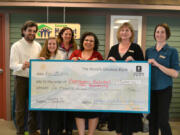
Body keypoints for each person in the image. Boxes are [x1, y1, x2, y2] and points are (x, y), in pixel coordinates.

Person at [107, 22, 144, 135]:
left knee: (129, 121)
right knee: (118, 120)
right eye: (122, 30)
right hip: (116, 90)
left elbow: (142, 69)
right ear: (119, 33)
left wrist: (134, 61)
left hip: (131, 90)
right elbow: (106, 70)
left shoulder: (136, 48)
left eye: (127, 30)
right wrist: (109, 62)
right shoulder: (113, 48)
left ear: (131, 33)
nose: (124, 32)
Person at [146, 23, 179, 135]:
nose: (159, 34)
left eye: (162, 32)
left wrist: (158, 64)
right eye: (157, 32)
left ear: (167, 34)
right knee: (152, 120)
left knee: (163, 121)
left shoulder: (172, 51)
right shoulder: (149, 51)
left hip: (164, 90)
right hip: (151, 90)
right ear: (154, 34)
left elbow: (175, 74)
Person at [10, 20, 41, 135]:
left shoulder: (38, 45)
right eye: (29, 31)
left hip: (34, 79)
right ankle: (20, 131)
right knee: (20, 107)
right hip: (21, 79)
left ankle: (32, 130)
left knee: (33, 106)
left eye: (34, 31)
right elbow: (12, 65)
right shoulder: (16, 46)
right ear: (23, 31)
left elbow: (39, 63)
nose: (32, 33)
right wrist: (22, 66)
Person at [70, 32, 103, 135]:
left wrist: (98, 64)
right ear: (83, 41)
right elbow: (68, 70)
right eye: (86, 40)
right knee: (79, 112)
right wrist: (72, 61)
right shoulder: (75, 53)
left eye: (91, 41)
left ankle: (91, 133)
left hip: (93, 90)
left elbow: (103, 73)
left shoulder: (98, 55)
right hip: (78, 89)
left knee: (93, 112)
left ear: (95, 43)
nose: (88, 42)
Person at [39, 37, 62, 135]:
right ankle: (43, 132)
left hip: (56, 90)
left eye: (54, 44)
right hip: (44, 90)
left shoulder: (60, 55)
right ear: (46, 45)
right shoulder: (41, 56)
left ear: (57, 46)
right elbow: (38, 72)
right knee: (44, 115)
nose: (52, 46)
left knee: (54, 116)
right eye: (50, 44)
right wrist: (40, 63)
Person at [57, 27, 77, 135]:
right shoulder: (56, 46)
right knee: (60, 104)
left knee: (70, 104)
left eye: (70, 34)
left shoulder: (75, 47)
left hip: (71, 79)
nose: (68, 36)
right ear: (61, 35)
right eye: (66, 34)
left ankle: (69, 129)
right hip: (59, 79)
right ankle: (60, 128)